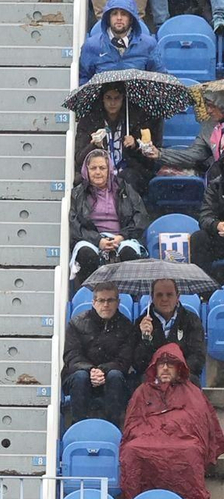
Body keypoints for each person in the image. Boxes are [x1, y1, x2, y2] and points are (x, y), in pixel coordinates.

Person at [121, 342, 224, 499]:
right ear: (155, 367)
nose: (165, 369)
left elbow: (199, 422)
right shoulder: (142, 391)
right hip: (148, 439)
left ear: (179, 368)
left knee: (191, 450)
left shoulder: (192, 392)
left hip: (181, 439)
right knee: (131, 450)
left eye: (170, 365)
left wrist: (173, 427)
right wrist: (154, 431)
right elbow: (133, 423)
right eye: (161, 364)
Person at [68, 150, 148, 294]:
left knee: (128, 252)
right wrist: (98, 240)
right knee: (86, 254)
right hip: (91, 239)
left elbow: (140, 217)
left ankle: (127, 296)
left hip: (122, 237)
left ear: (109, 169)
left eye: (102, 168)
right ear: (86, 170)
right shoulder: (77, 193)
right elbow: (75, 226)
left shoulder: (124, 188)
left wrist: (121, 236)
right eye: (93, 168)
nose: (98, 172)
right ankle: (91, 295)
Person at [63, 283, 137, 427]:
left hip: (112, 375)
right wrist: (90, 370)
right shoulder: (76, 323)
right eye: (101, 300)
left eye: (110, 300)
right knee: (80, 377)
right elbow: (71, 356)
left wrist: (102, 370)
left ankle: (113, 427)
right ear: (94, 302)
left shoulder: (127, 326)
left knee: (115, 375)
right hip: (80, 374)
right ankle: (78, 426)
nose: (106, 305)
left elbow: (124, 360)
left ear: (118, 302)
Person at [74, 81, 161, 198]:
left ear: (123, 99)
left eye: (117, 98)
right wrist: (93, 145)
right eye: (108, 98)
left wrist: (135, 145)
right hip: (98, 171)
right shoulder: (89, 121)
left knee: (128, 178)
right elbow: (79, 159)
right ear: (102, 99)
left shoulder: (135, 120)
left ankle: (124, 208)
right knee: (85, 181)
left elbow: (148, 161)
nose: (112, 103)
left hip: (128, 172)